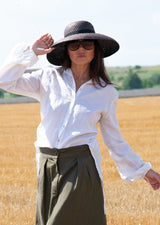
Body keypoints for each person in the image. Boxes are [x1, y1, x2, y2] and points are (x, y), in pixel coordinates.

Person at [0, 20, 160, 225]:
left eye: (87, 44)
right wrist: (31, 52)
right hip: (47, 164)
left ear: (96, 50)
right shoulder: (47, 78)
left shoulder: (106, 92)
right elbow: (4, 81)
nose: (81, 49)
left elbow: (115, 141)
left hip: (81, 165)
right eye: (74, 45)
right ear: (66, 50)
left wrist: (144, 171)